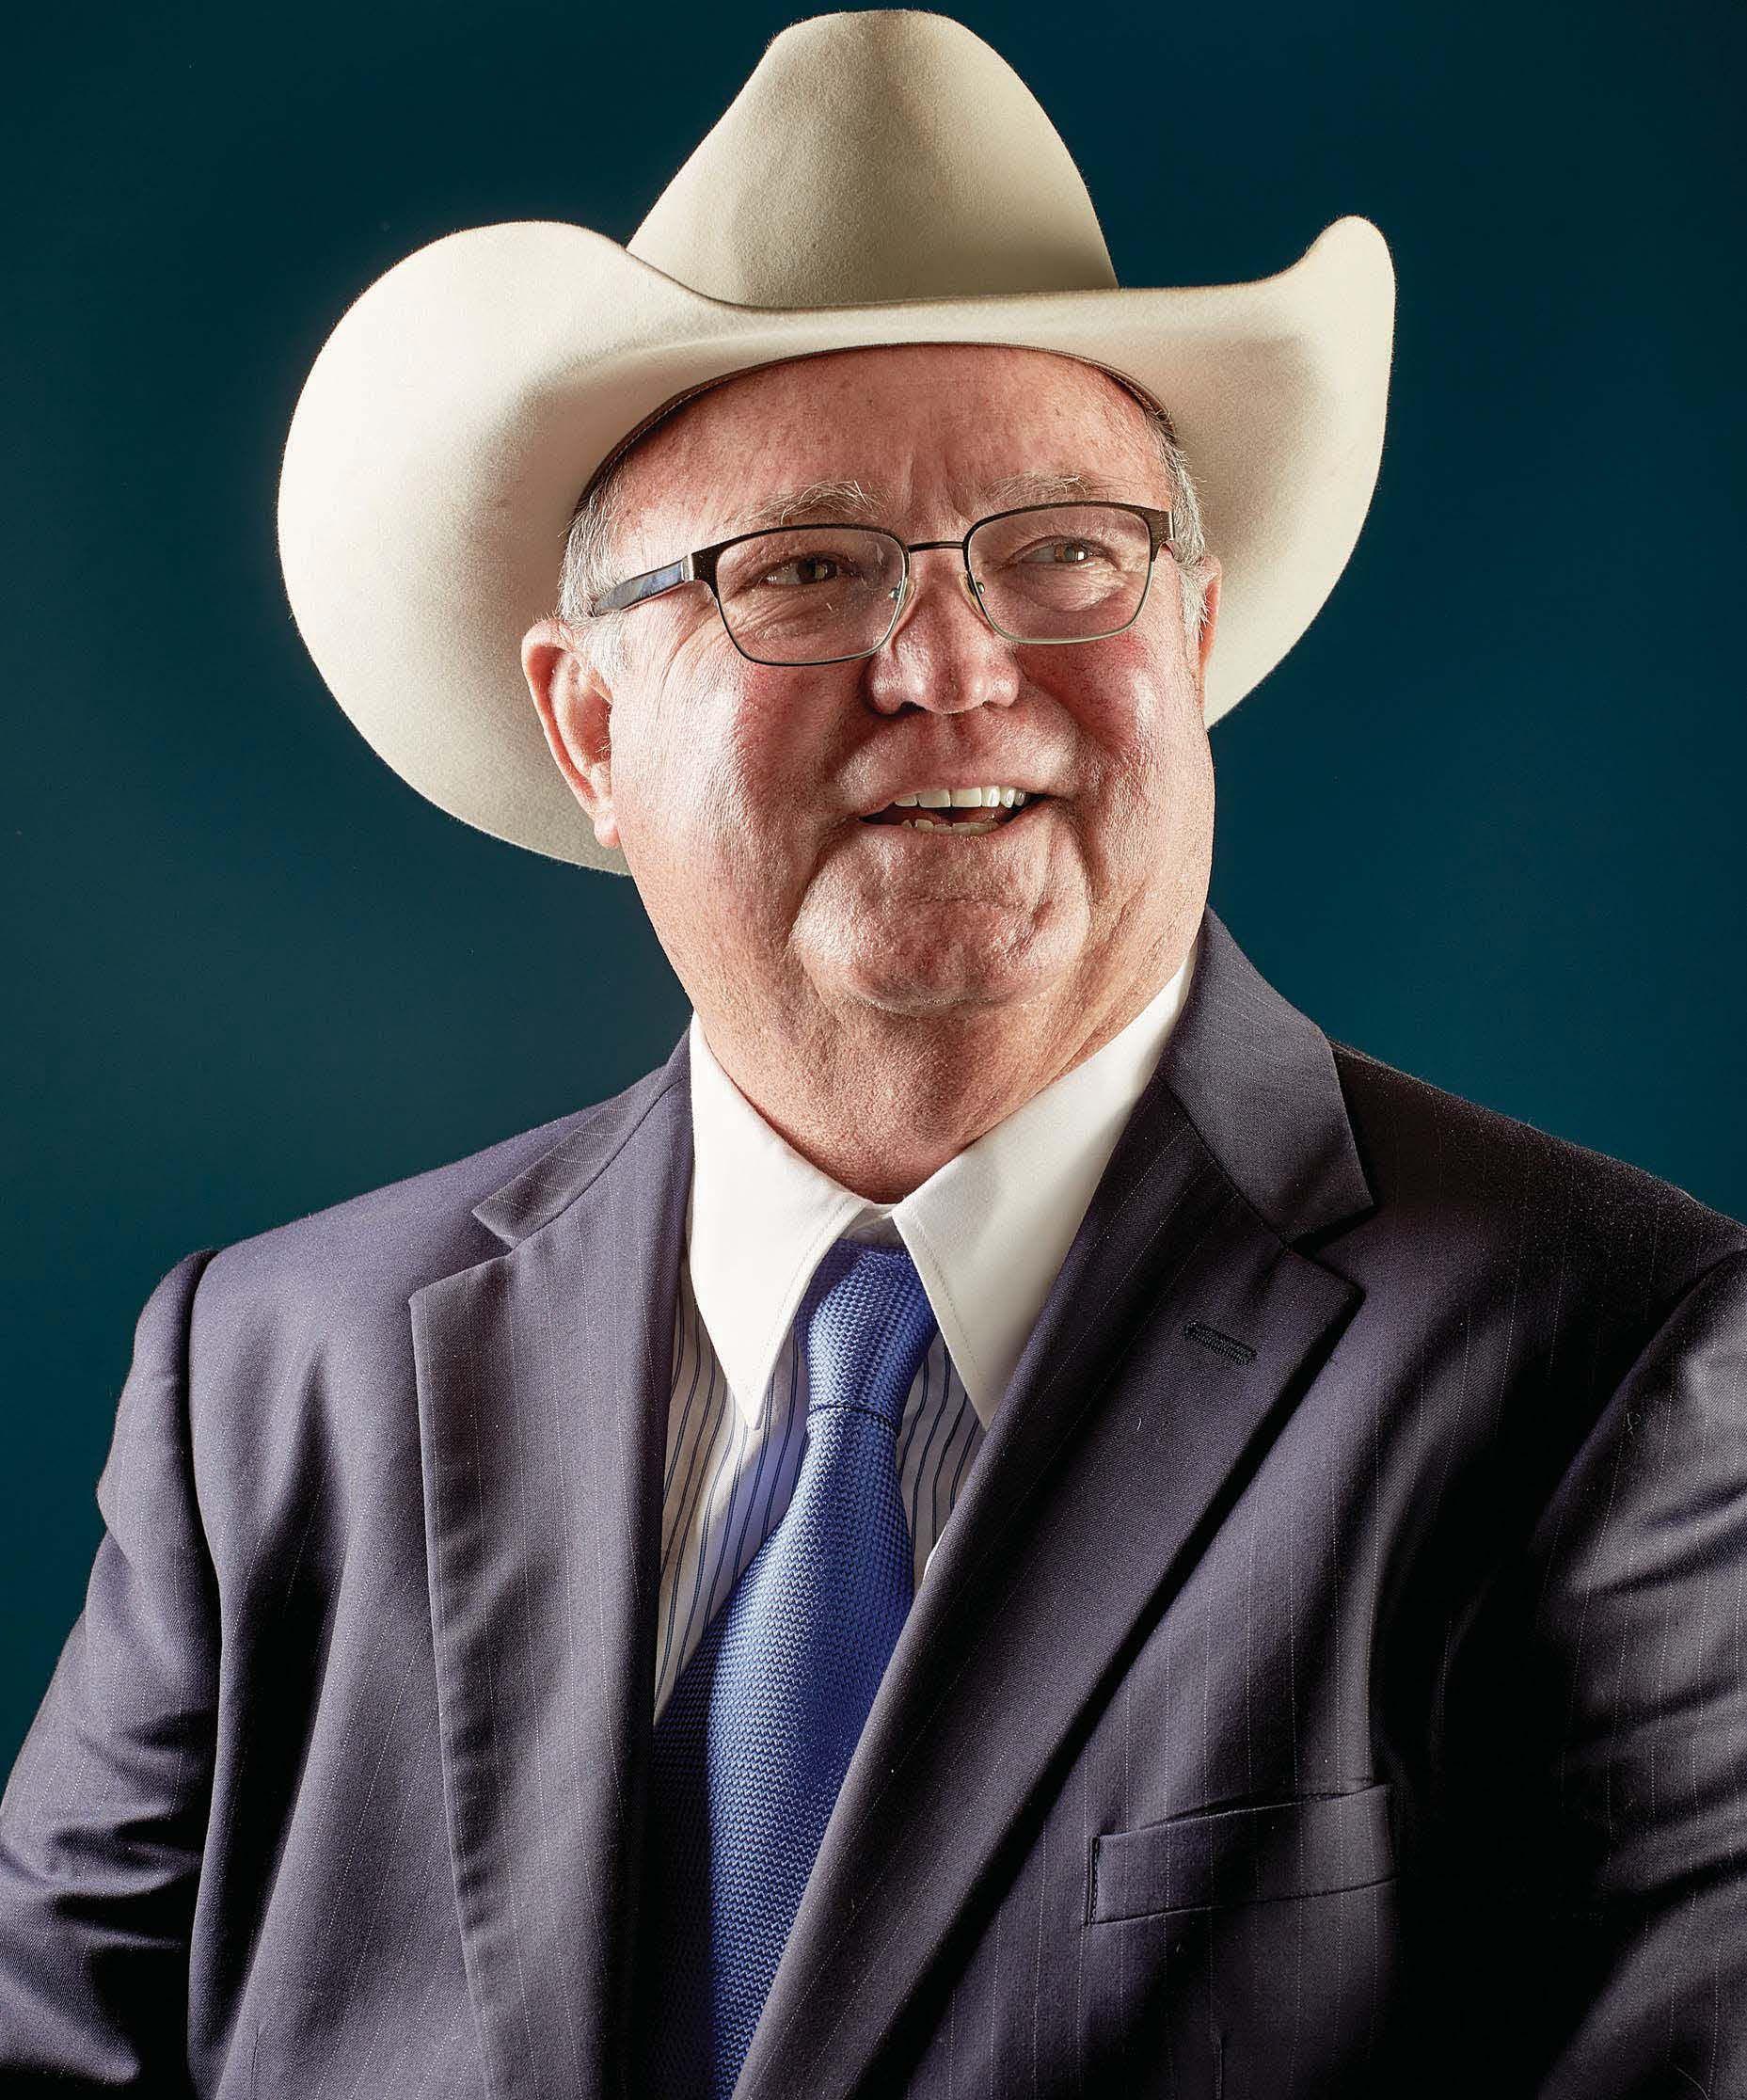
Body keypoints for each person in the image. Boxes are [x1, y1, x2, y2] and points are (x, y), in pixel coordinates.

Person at [3, 11, 1743, 2097]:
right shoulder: (272, 1386)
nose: (951, 666)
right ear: (588, 726)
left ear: (1187, 640)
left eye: (1064, 551)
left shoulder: (1611, 1366)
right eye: (806, 570)